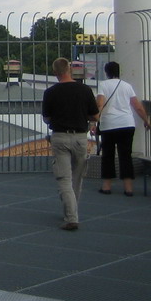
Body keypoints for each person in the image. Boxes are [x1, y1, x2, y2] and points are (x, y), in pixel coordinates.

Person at [41, 57, 99, 231]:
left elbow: (47, 118)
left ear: (55, 72)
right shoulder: (85, 90)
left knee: (64, 178)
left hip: (60, 137)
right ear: (70, 70)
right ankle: (72, 211)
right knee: (77, 177)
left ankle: (71, 216)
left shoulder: (50, 92)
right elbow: (95, 116)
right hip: (80, 137)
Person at [96, 61, 151, 197]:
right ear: (119, 71)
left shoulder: (103, 85)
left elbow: (100, 104)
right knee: (125, 155)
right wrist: (146, 120)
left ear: (106, 72)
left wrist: (94, 121)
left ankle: (106, 186)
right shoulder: (127, 86)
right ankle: (128, 188)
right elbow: (137, 106)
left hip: (108, 125)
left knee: (108, 155)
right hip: (127, 124)